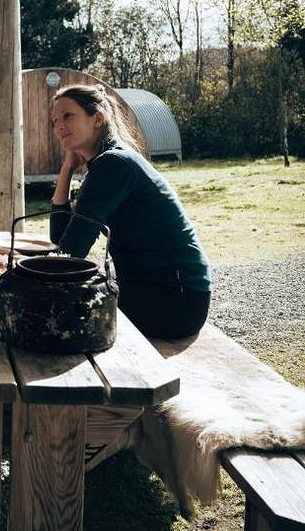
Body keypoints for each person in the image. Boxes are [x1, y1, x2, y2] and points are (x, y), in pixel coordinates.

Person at [49, 83, 211, 340]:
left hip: (175, 299)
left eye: (68, 115)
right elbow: (60, 237)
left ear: (98, 118)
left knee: (50, 315)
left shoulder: (113, 164)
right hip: (155, 289)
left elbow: (72, 251)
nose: (59, 126)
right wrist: (67, 169)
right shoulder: (108, 162)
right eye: (55, 120)